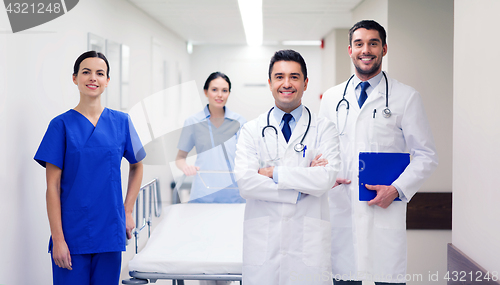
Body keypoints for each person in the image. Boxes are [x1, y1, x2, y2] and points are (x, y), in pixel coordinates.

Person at [319, 20, 438, 284]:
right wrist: (325, 175)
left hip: (384, 212)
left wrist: (396, 189)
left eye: (373, 43)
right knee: (344, 277)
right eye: (359, 44)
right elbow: (321, 152)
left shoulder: (405, 97)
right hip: (342, 210)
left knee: (385, 277)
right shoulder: (331, 98)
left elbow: (426, 155)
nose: (366, 50)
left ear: (384, 49)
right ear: (349, 50)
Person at [34, 51, 146, 285]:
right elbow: (52, 187)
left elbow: (137, 165)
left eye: (100, 73)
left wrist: (127, 210)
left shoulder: (121, 122)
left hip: (109, 230)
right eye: (86, 72)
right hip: (72, 234)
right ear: (75, 78)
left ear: (107, 81)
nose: (93, 78)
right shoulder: (60, 125)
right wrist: (58, 239)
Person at [234, 49, 341, 285]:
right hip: (264, 246)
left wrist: (273, 173)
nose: (287, 83)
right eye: (280, 76)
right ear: (270, 83)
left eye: (294, 76)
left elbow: (324, 179)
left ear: (305, 83)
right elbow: (246, 183)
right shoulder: (252, 130)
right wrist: (302, 186)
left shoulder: (324, 129)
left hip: (308, 246)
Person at [175, 71, 246, 204]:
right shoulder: (193, 122)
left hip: (233, 194)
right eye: (214, 90)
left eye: (224, 90)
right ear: (206, 92)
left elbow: (247, 157)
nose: (220, 95)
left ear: (229, 93)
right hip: (203, 193)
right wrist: (185, 167)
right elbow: (179, 158)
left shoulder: (240, 122)